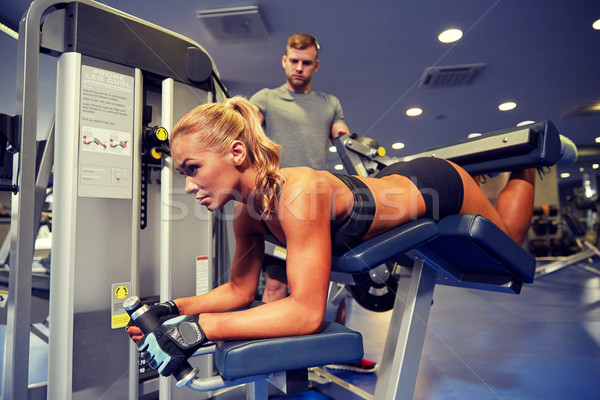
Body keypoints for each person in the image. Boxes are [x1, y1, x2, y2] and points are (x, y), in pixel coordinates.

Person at [127, 97, 539, 378]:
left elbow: (306, 314)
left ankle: (529, 159)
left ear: (236, 153)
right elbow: (238, 290)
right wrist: (172, 309)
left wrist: (200, 329)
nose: (188, 185)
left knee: (509, 243)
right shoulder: (246, 215)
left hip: (439, 183)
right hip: (390, 184)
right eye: (183, 173)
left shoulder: (298, 193)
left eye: (193, 168)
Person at [249, 33, 375, 373]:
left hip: (321, 203)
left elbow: (343, 136)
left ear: (316, 66)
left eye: (306, 63)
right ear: (284, 61)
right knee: (277, 282)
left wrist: (355, 144)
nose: (299, 68)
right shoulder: (266, 99)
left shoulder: (329, 103)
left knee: (338, 282)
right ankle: (265, 359)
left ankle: (342, 353)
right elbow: (248, 121)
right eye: (294, 61)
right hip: (279, 202)